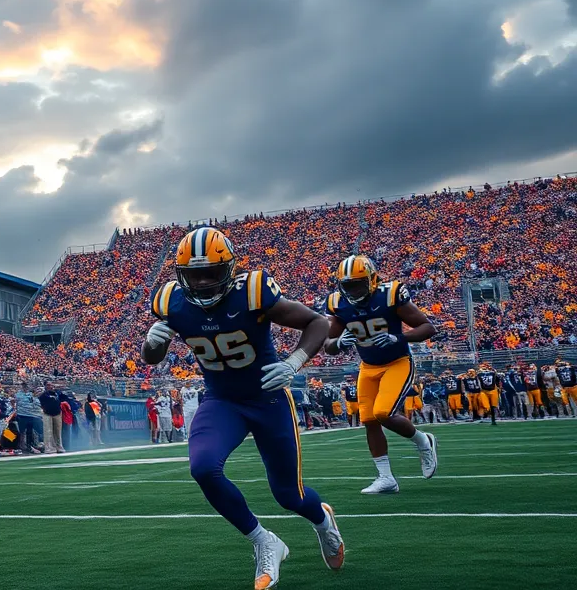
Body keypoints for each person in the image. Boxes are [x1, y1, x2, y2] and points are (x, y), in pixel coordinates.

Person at [144, 227, 345, 589]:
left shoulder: (252, 292)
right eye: (194, 275)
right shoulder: (169, 301)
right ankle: (263, 540)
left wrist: (295, 360)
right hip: (221, 399)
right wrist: (152, 345)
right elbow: (152, 357)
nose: (203, 283)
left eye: (212, 273)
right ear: (180, 274)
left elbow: (317, 321)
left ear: (230, 270)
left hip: (267, 398)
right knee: (203, 468)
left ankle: (323, 521)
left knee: (289, 495)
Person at [324, 256, 438, 494]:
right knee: (368, 420)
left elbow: (428, 327)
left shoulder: (389, 295)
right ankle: (386, 478)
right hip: (368, 366)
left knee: (383, 413)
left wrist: (400, 337)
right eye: (348, 285)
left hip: (397, 362)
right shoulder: (338, 304)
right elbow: (328, 345)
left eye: (358, 284)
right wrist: (339, 342)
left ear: (372, 280)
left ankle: (423, 441)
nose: (353, 290)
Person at [38, 381, 64, 453]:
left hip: (57, 413)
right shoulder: (43, 394)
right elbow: (40, 399)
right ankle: (48, 448)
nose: (50, 386)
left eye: (51, 385)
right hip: (47, 414)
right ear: (45, 386)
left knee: (58, 431)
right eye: (48, 385)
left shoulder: (56, 393)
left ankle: (59, 447)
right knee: (48, 431)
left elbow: (63, 398)